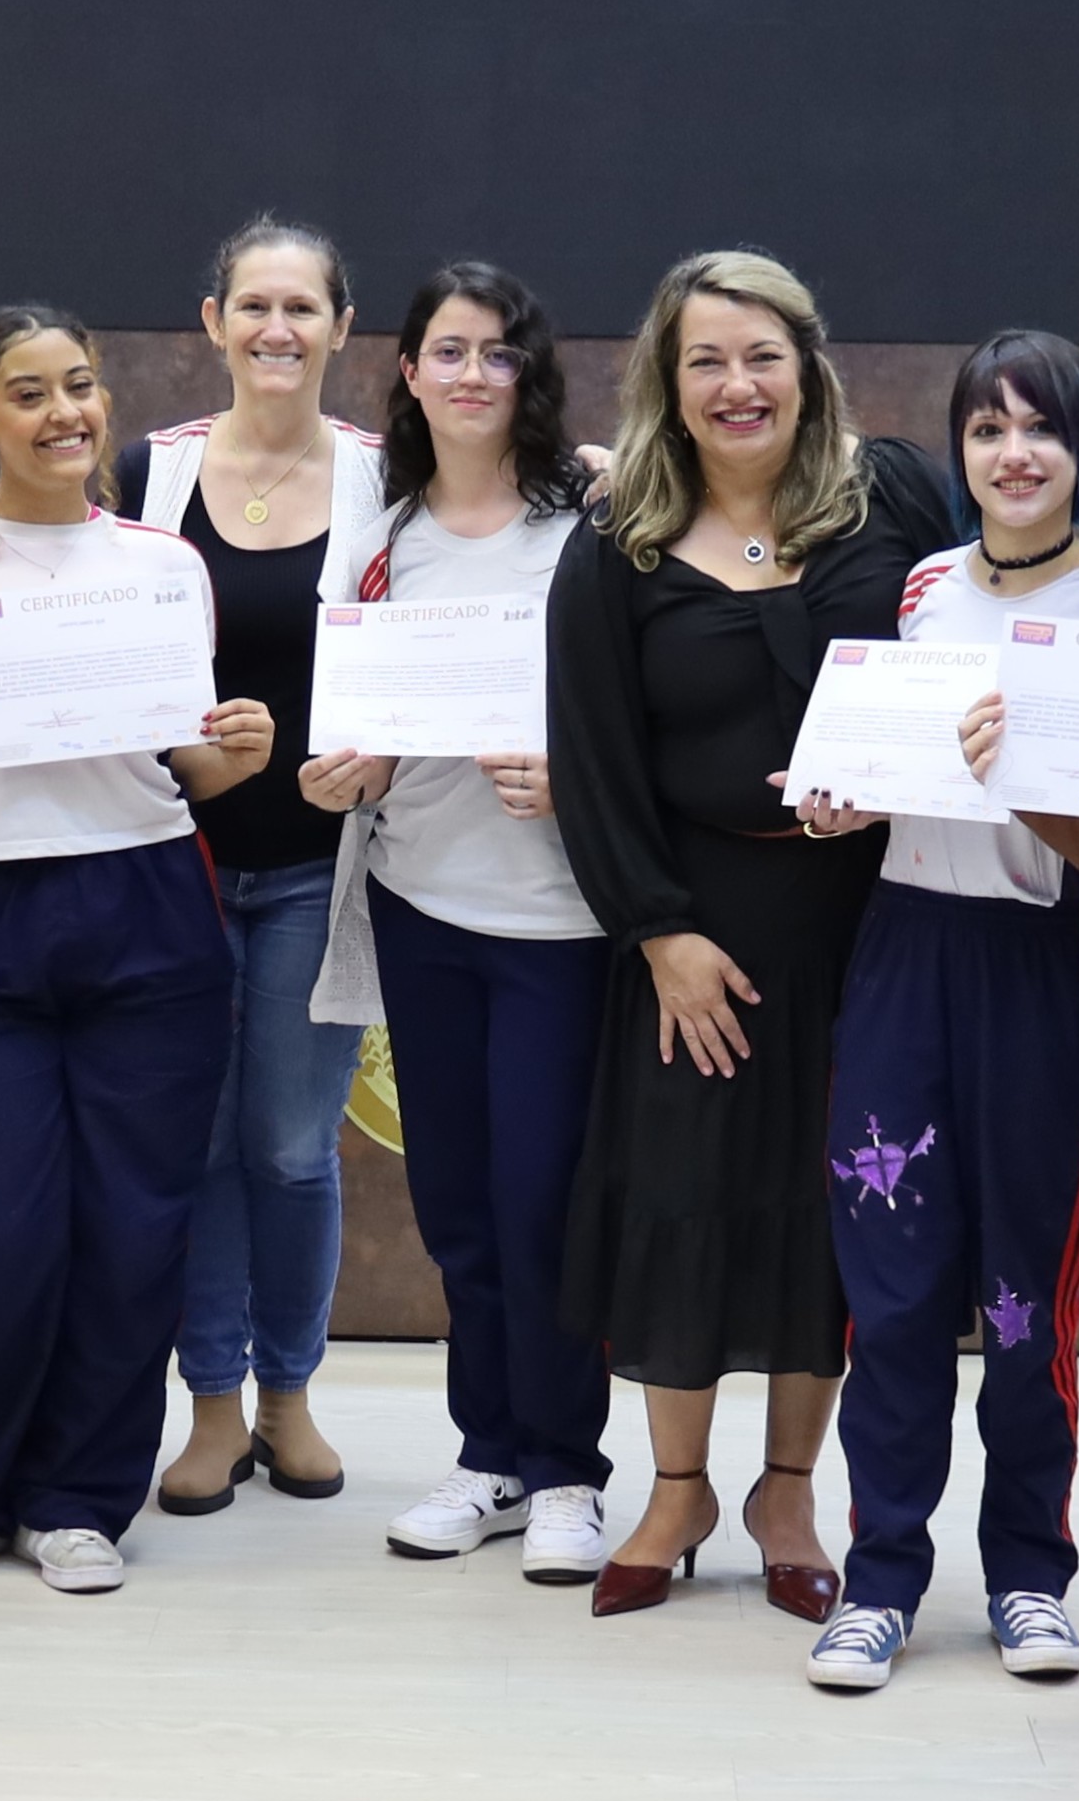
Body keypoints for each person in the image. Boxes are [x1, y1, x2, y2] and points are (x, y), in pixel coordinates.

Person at [0, 309, 272, 1583]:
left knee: (133, 1232)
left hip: (150, 907)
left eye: (79, 385)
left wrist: (234, 754)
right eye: (27, 393)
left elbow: (178, 759)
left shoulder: (162, 564)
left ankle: (80, 1498)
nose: (63, 412)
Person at [543, 251, 940, 1620]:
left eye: (762, 355)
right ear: (666, 382)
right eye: (705, 360)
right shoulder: (620, 544)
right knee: (682, 1199)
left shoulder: (894, 498)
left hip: (866, 929)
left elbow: (1009, 584)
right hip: (692, 935)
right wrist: (658, 933)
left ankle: (785, 1489)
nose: (737, 384)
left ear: (809, 366)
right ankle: (676, 1488)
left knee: (825, 1209)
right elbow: (592, 761)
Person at [801, 331, 1079, 1696]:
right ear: (960, 452)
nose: (1014, 452)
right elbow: (889, 758)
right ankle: (881, 1576)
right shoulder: (926, 588)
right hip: (902, 947)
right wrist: (842, 798)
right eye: (988, 428)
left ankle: (1027, 1573)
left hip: (1039, 956)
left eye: (1041, 426)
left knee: (1022, 1296)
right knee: (889, 1292)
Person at [300, 262, 617, 1587]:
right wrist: (342, 769)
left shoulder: (594, 516)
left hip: (557, 921)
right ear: (409, 371)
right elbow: (346, 714)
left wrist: (578, 776)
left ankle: (567, 1469)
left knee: (543, 1204)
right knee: (460, 1209)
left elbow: (641, 708)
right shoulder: (378, 529)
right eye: (448, 349)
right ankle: (488, 1452)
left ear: (528, 371)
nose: (473, 373)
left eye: (498, 351)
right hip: (420, 904)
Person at [126, 215, 377, 1516]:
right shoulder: (148, 473)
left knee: (287, 1145)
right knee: (202, 1141)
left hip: (319, 869)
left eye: (303, 307)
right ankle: (213, 1404)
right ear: (213, 321)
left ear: (341, 327)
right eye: (255, 305)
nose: (278, 328)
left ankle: (289, 1391)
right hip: (172, 867)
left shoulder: (387, 477)